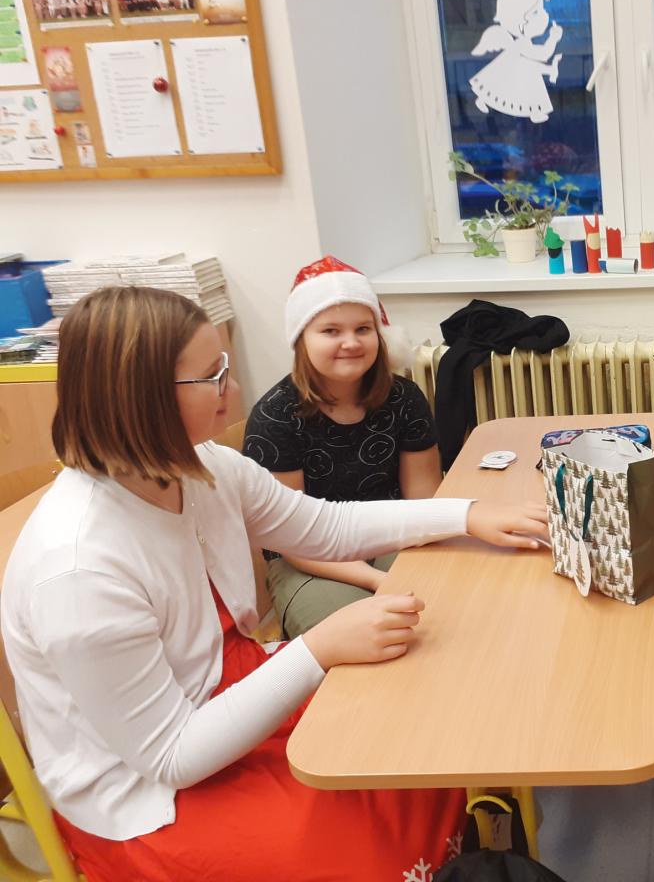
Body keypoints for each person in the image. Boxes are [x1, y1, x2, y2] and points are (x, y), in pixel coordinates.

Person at [1, 285, 548, 881]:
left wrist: (465, 514)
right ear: (140, 397)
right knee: (362, 837)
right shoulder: (78, 571)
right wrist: (317, 649)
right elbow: (171, 756)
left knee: (417, 726)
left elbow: (323, 526)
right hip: (148, 792)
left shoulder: (202, 466)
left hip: (223, 687)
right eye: (213, 377)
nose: (233, 390)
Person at [243, 256, 442, 638]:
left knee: (443, 611)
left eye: (363, 328)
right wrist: (374, 580)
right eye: (330, 331)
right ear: (301, 339)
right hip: (309, 558)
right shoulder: (275, 416)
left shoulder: (405, 398)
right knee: (358, 636)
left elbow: (424, 501)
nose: (351, 342)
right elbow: (291, 537)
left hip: (393, 534)